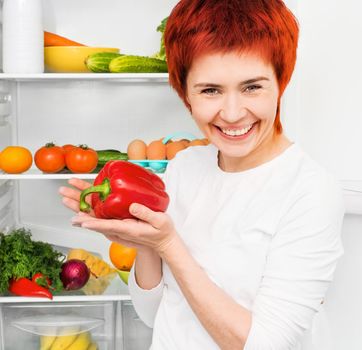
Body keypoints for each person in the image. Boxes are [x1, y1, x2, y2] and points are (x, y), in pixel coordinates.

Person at [59, 0, 345, 348]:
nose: (233, 112)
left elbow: (266, 344)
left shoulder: (309, 190)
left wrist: (168, 245)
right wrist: (145, 245)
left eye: (252, 87)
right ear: (186, 95)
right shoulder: (186, 166)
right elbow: (155, 314)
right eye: (210, 90)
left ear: (280, 82)